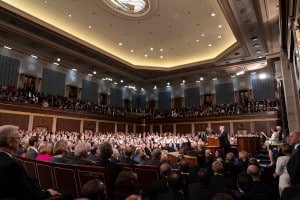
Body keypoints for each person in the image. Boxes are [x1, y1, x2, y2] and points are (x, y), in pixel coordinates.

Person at [0, 125, 61, 199]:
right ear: (9, 142)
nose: (20, 141)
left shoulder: (7, 161)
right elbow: (30, 196)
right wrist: (48, 193)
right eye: (18, 138)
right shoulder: (12, 165)